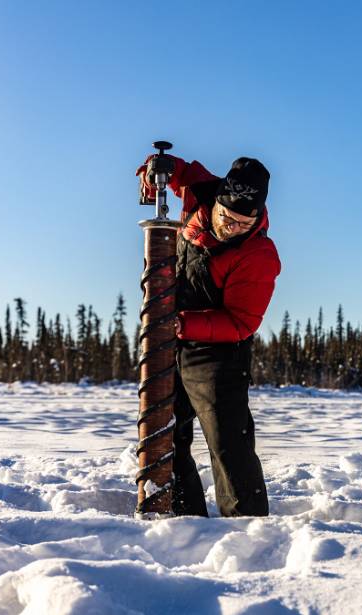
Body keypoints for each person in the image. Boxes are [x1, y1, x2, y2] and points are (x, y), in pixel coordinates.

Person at [136, 153, 281, 517]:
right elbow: (173, 167)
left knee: (226, 440)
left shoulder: (259, 254)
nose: (233, 227)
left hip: (219, 351)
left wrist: (184, 324)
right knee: (170, 433)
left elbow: (242, 322)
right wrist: (154, 170)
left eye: (243, 224)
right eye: (227, 218)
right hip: (171, 339)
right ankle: (183, 519)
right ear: (217, 200)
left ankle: (247, 525)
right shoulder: (199, 188)